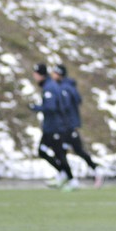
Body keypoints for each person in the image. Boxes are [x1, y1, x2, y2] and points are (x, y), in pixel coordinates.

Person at [51, 64, 105, 188]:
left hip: (69, 126)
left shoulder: (66, 88)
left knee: (77, 150)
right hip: (65, 125)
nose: (52, 75)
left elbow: (68, 107)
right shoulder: (62, 87)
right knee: (61, 151)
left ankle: (95, 170)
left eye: (54, 73)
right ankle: (65, 175)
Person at [29, 63, 77, 191]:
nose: (34, 76)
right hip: (51, 127)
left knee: (58, 154)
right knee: (46, 151)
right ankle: (64, 175)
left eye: (35, 74)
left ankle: (70, 179)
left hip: (55, 127)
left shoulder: (49, 87)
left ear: (40, 74)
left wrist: (36, 108)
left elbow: (51, 107)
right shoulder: (50, 85)